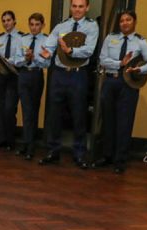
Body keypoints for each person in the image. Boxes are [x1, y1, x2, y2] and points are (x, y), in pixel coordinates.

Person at [38, 0, 98, 169]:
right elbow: (49, 44)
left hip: (78, 75)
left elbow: (89, 50)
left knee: (79, 115)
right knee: (54, 114)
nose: (77, 9)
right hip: (59, 74)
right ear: (71, 7)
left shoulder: (91, 26)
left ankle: (79, 154)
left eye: (81, 6)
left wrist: (70, 51)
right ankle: (53, 151)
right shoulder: (61, 26)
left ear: (87, 8)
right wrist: (45, 52)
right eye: (74, 6)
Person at [96, 10, 147, 174]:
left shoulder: (140, 42)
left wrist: (140, 69)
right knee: (108, 120)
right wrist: (119, 63)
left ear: (134, 22)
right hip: (110, 81)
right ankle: (106, 156)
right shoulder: (111, 38)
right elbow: (103, 60)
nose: (124, 23)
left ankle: (120, 160)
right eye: (122, 20)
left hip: (128, 84)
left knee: (124, 123)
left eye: (128, 20)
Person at [13, 13, 48, 160]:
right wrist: (25, 58)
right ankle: (26, 143)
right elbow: (16, 60)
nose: (34, 27)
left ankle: (30, 146)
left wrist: (35, 58)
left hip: (36, 75)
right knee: (26, 111)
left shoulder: (46, 40)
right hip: (23, 76)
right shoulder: (23, 39)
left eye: (37, 24)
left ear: (42, 25)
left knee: (33, 111)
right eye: (31, 24)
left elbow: (47, 63)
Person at [0, 11, 21, 150]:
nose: (6, 23)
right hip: (0, 74)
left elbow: (20, 58)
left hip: (13, 75)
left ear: (14, 21)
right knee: (0, 107)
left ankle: (11, 140)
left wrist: (11, 61)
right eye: (3, 20)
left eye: (9, 20)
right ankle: (2, 139)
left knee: (10, 108)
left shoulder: (22, 37)